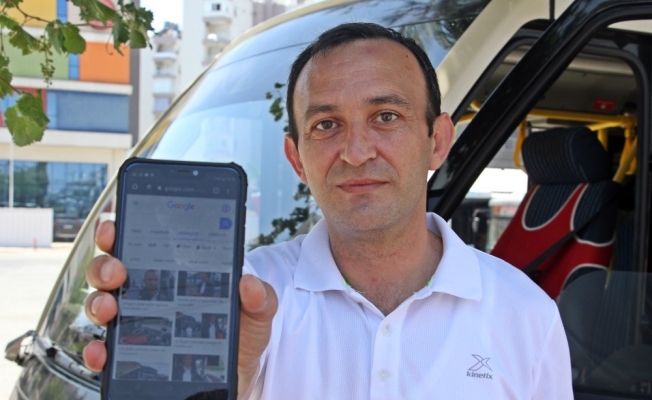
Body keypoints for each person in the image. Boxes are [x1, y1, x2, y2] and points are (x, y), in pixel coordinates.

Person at [83, 22, 573, 399]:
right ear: (297, 159)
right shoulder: (245, 299)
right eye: (326, 125)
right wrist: (230, 386)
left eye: (386, 117)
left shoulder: (527, 315)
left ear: (438, 141)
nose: (356, 152)